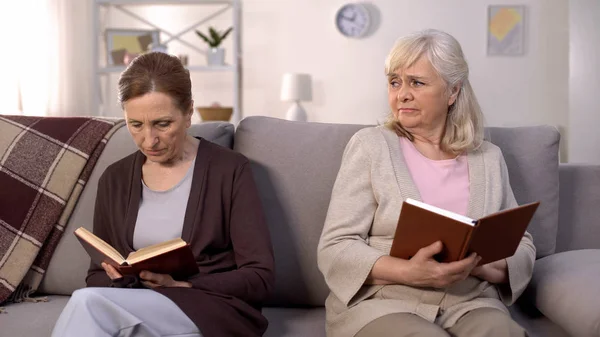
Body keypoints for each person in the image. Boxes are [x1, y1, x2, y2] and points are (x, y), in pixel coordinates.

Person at [317, 29, 535, 337]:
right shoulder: (370, 147)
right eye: (395, 82)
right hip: (384, 303)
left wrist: (478, 266)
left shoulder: (489, 157)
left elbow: (521, 244)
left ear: (453, 91)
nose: (401, 93)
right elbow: (335, 248)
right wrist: (411, 272)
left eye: (416, 82)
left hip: (470, 301)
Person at [52, 52, 275, 337]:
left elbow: (261, 277)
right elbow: (96, 274)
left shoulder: (229, 170)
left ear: (189, 112)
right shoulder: (115, 178)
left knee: (88, 304)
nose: (149, 140)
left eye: (162, 124)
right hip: (139, 307)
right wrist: (124, 280)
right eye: (136, 125)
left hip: (208, 306)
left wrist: (185, 284)